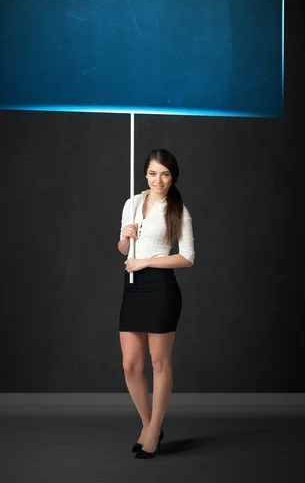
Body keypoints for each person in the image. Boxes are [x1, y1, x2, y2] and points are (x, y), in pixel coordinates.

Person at [117, 148, 195, 459]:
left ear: (172, 176)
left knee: (159, 363)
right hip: (133, 288)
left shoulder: (179, 210)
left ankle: (152, 432)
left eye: (164, 173)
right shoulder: (132, 203)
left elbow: (187, 257)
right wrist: (126, 236)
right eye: (152, 173)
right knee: (130, 365)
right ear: (145, 174)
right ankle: (150, 424)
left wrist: (147, 261)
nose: (158, 180)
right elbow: (124, 249)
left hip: (161, 289)